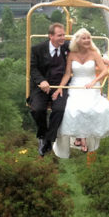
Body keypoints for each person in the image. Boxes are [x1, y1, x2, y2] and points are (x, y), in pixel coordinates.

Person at [52, 28, 109, 158]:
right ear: (78, 41)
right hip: (76, 85)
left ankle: (82, 137)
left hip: (91, 85)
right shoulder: (71, 55)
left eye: (89, 38)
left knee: (91, 109)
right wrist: (60, 87)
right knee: (72, 110)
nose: (87, 40)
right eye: (84, 38)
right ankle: (79, 137)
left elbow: (105, 71)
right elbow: (67, 74)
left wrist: (94, 81)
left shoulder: (94, 53)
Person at [28, 23, 70, 156]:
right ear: (51, 36)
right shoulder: (37, 49)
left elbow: (85, 49)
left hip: (59, 86)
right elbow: (33, 69)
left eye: (64, 35)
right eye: (60, 35)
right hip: (42, 87)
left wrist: (102, 59)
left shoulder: (67, 47)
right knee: (38, 109)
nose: (63, 38)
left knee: (59, 109)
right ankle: (42, 135)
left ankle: (48, 139)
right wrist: (42, 81)